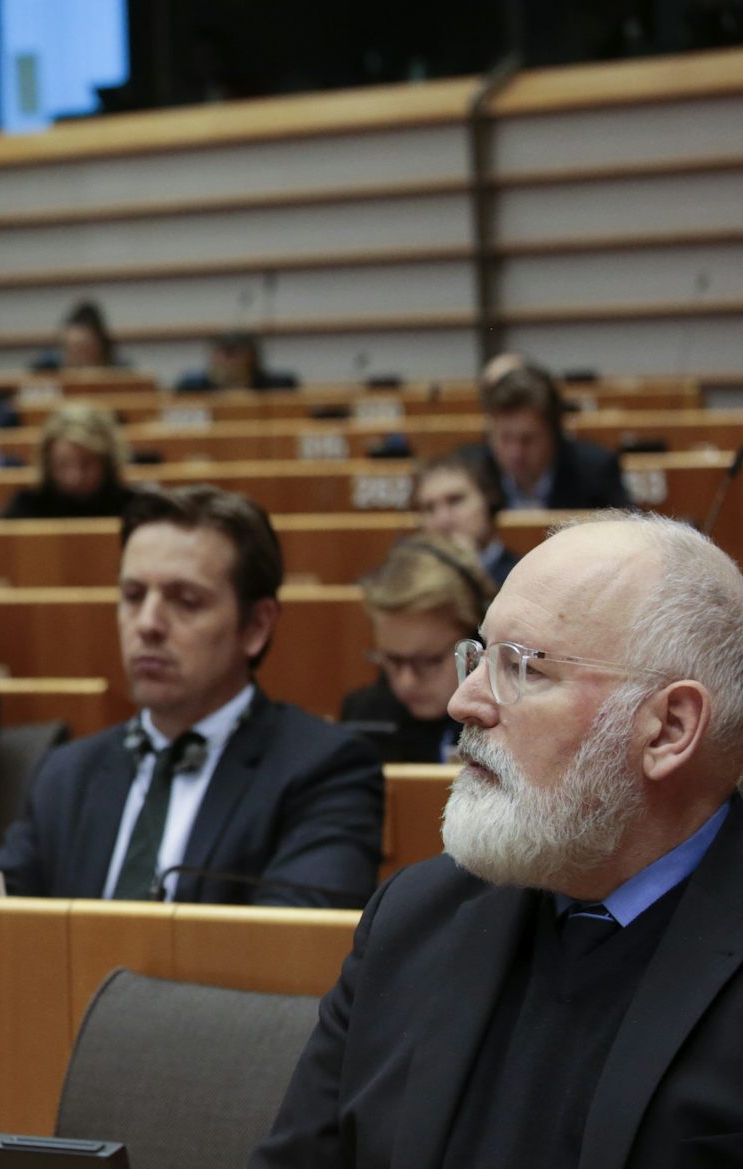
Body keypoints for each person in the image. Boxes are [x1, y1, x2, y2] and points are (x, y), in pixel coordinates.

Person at [253, 513, 743, 1169]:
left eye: (524, 668)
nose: (465, 700)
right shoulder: (413, 917)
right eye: (478, 656)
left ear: (668, 729)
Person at [0, 485, 382, 906]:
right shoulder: (66, 773)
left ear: (256, 627)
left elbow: (286, 953)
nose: (147, 624)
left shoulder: (325, 771)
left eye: (186, 601)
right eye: (133, 596)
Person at [339, 536, 491, 765]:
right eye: (392, 660)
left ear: (475, 643)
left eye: (428, 662)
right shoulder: (363, 715)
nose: (406, 682)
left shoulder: (505, 721)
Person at [464, 364, 632, 511]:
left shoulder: (596, 470)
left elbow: (628, 535)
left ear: (555, 433)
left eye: (528, 439)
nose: (515, 453)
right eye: (504, 438)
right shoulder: (469, 471)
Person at [0, 402, 137, 519]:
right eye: (62, 465)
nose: (75, 477)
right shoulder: (24, 509)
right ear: (48, 463)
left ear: (108, 462)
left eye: (87, 464)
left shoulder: (134, 508)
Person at [413, 451, 519, 585]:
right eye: (429, 508)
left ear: (489, 500)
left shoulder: (523, 576)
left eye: (455, 500)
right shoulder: (403, 583)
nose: (442, 518)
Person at [175, 330, 297, 391]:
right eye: (222, 354)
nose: (228, 362)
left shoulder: (278, 388)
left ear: (252, 357)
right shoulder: (191, 389)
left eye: (234, 354)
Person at [33, 301, 116, 371]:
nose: (77, 359)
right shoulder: (46, 370)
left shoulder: (118, 374)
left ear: (100, 347)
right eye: (70, 350)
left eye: (83, 350)